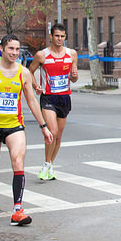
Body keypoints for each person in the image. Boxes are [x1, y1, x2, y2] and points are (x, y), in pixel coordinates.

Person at [0, 34, 53, 225]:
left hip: (14, 126)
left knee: (18, 162)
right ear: (1, 49)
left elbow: (32, 101)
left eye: (17, 49)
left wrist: (44, 126)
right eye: (11, 49)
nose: (14, 53)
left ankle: (17, 210)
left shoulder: (24, 72)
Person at [29, 23, 78, 180]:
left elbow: (74, 78)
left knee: (58, 136)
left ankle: (50, 164)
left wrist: (75, 76)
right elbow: (29, 72)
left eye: (62, 36)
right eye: (57, 36)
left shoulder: (71, 54)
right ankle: (45, 164)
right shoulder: (42, 55)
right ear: (51, 36)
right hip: (48, 97)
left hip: (64, 97)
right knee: (53, 131)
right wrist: (36, 85)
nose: (59, 39)